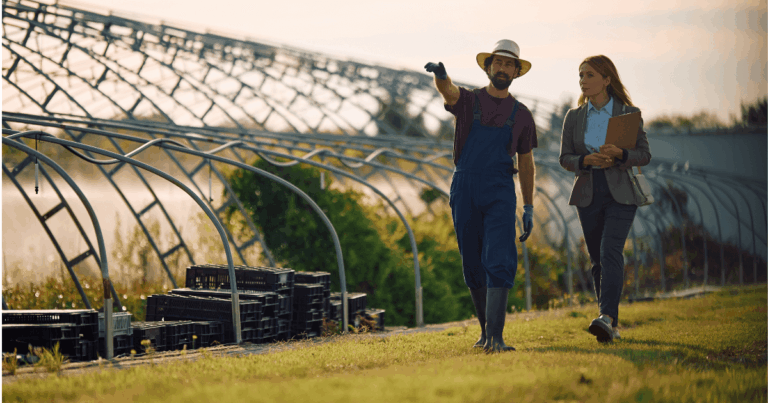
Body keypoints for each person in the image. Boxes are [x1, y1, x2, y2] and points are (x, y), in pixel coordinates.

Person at [424, 39, 537, 353]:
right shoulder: (469, 101)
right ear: (489, 67)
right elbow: (449, 92)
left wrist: (528, 205)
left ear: (516, 72)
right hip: (465, 185)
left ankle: (497, 337)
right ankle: (485, 334)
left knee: (498, 259)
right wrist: (441, 78)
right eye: (497, 63)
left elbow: (526, 164)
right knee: (471, 260)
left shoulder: (523, 115)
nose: (502, 68)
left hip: (501, 189)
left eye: (509, 64)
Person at [558, 55, 651, 342]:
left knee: (611, 250)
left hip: (621, 191)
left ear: (607, 79)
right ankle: (610, 322)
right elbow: (564, 158)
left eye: (589, 75)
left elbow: (644, 155)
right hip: (588, 191)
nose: (583, 81)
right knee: (597, 258)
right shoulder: (574, 117)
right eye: (580, 76)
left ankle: (606, 317)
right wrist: (586, 159)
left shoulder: (628, 113)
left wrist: (621, 154)